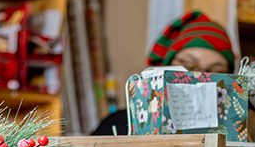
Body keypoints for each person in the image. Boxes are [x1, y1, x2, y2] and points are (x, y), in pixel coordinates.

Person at [92, 11, 235, 136]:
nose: (199, 78)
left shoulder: (236, 133)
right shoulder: (119, 125)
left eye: (216, 72)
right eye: (188, 66)